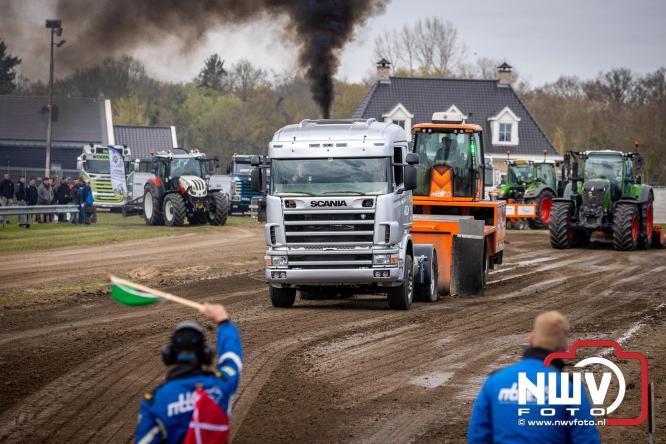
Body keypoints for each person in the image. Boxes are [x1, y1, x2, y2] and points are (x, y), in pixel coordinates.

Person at [468, 311, 600, 443]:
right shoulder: (570, 387)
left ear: (530, 339)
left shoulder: (495, 380)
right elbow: (586, 439)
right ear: (565, 346)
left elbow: (477, 436)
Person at [135, 303, 243, 444]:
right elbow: (232, 358)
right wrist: (223, 320)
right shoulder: (220, 385)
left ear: (169, 355)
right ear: (206, 354)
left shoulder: (155, 400)